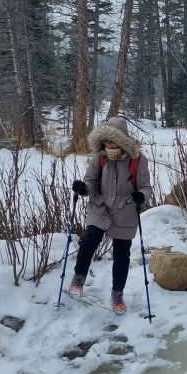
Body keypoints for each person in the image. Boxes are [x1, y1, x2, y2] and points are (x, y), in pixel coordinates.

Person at [69, 116, 151, 313]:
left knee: (121, 254)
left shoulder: (138, 160)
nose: (108, 143)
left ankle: (117, 294)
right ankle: (79, 277)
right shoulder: (99, 157)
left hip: (125, 209)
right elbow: (91, 181)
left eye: (112, 140)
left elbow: (146, 187)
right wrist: (83, 188)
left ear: (122, 139)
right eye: (105, 140)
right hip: (101, 206)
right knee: (89, 239)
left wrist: (142, 196)